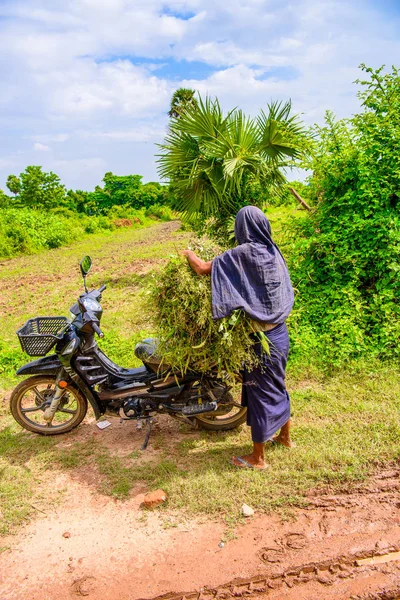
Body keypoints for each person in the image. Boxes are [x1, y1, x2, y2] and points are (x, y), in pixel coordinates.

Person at [183, 205, 295, 470]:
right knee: (277, 388)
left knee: (259, 395)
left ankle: (258, 459)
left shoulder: (244, 253)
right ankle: (285, 438)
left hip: (262, 343)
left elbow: (201, 268)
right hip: (280, 335)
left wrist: (188, 254)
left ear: (241, 228)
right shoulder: (273, 250)